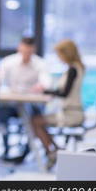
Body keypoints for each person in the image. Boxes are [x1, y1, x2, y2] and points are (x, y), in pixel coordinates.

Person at [31, 39, 85, 170]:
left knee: (35, 121)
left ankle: (52, 151)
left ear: (67, 53)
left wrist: (45, 90)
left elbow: (64, 93)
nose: (59, 58)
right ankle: (56, 150)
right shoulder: (75, 68)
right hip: (69, 111)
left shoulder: (73, 69)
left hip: (71, 114)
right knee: (36, 120)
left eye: (59, 54)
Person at [0, 37, 51, 162]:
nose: (26, 54)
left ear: (33, 50)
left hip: (31, 104)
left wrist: (41, 86)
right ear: (19, 48)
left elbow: (46, 82)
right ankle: (5, 151)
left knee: (34, 118)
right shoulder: (8, 62)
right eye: (24, 51)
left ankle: (27, 151)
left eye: (29, 52)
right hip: (11, 104)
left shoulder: (40, 64)